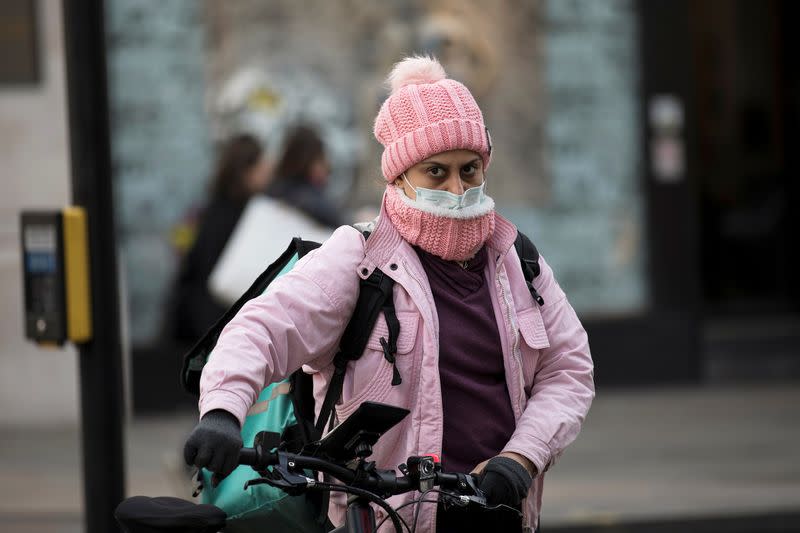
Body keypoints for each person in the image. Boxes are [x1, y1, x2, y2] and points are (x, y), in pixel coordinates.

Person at [183, 56, 594, 532]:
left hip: (501, 511)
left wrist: (521, 459)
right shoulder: (357, 259)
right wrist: (222, 410)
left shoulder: (516, 259)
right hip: (387, 518)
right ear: (399, 178)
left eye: (471, 170)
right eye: (436, 173)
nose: (458, 188)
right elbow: (262, 330)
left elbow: (569, 369)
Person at [166, 132, 271, 345]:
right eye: (262, 167)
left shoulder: (216, 209)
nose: (268, 173)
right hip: (211, 327)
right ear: (246, 172)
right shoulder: (235, 215)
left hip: (205, 323)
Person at [266, 123, 346, 229]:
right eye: (321, 159)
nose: (327, 166)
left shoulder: (273, 191)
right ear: (308, 162)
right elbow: (341, 222)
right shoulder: (311, 202)